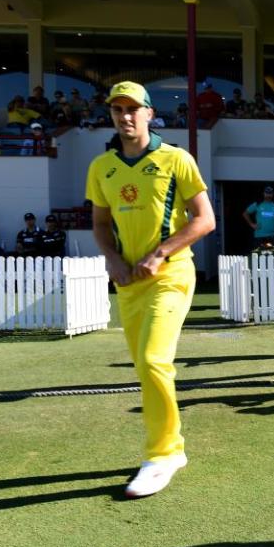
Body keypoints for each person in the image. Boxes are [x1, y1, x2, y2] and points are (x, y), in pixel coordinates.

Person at [86, 81, 216, 497]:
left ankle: (162, 455)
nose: (125, 116)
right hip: (129, 284)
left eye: (132, 109)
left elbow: (204, 219)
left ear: (149, 113)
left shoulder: (176, 159)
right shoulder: (101, 167)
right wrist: (112, 260)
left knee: (152, 358)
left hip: (172, 275)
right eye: (117, 110)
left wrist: (161, 252)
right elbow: (101, 225)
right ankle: (171, 448)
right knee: (146, 367)